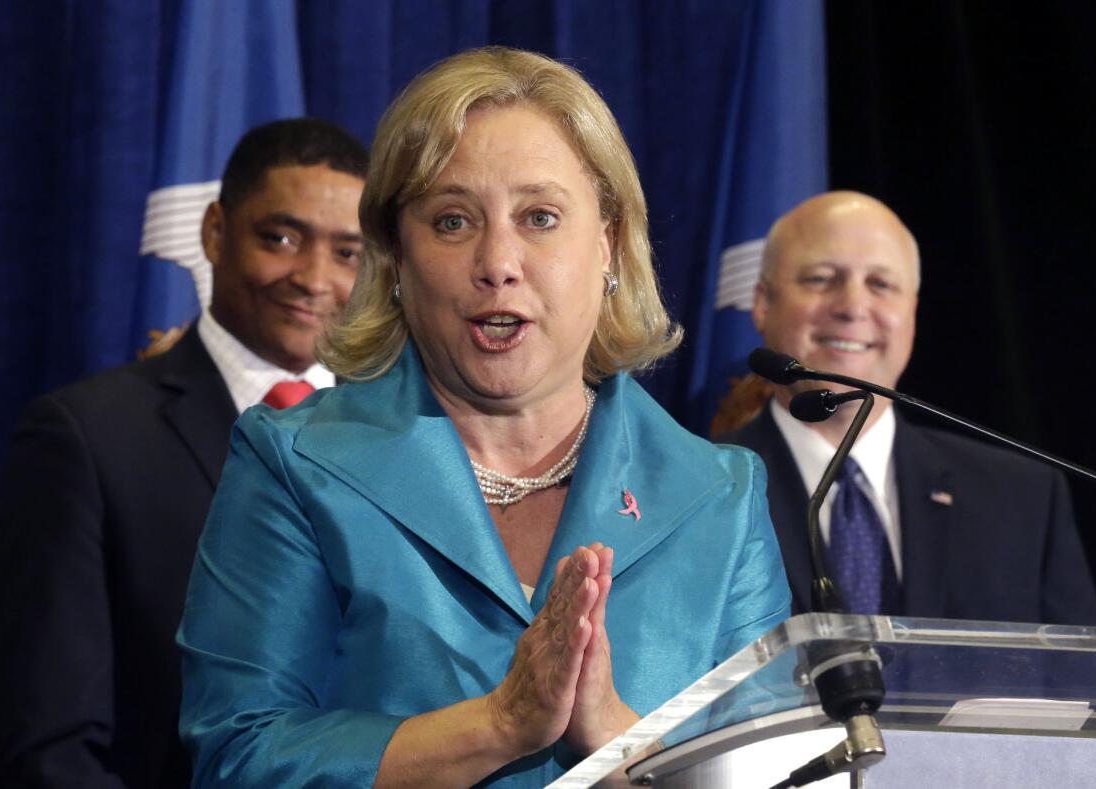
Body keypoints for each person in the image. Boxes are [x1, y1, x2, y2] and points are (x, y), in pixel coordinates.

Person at [177, 47, 791, 788]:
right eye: (453, 220)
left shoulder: (718, 495)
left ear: (607, 244)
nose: (498, 260)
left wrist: (616, 735)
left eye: (540, 216)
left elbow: (772, 776)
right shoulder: (295, 463)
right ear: (396, 258)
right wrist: (498, 724)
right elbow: (240, 757)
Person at [0, 118, 368, 788]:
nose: (314, 278)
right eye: (280, 238)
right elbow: (49, 745)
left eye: (349, 253)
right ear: (215, 232)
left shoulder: (415, 433)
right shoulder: (86, 436)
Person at [719, 190, 1096, 625]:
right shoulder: (702, 493)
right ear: (763, 304)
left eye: (880, 284)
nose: (853, 307)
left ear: (912, 312)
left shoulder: (1025, 499)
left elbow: (1082, 686)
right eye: (821, 278)